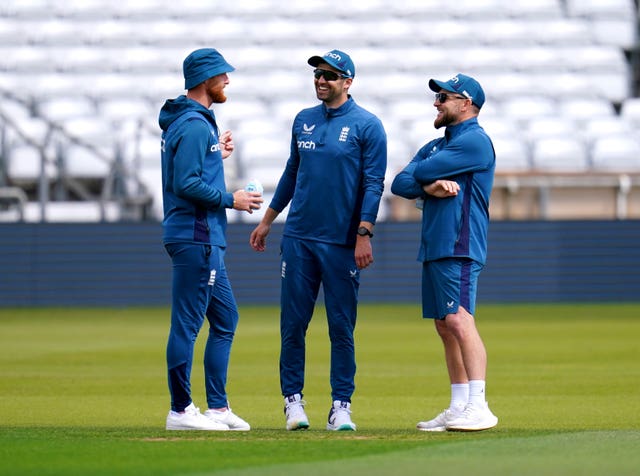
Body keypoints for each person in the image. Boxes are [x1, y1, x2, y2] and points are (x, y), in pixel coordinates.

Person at [249, 49, 387, 431]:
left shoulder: (367, 125)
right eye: (317, 75)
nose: (321, 80)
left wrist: (364, 233)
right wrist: (268, 221)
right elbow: (292, 173)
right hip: (299, 239)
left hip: (341, 243)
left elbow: (374, 184)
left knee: (341, 328)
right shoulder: (303, 120)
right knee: (293, 325)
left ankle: (341, 406)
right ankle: (293, 402)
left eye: (329, 75)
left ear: (348, 82)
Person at [159, 48, 263, 431]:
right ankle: (181, 410)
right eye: (222, 75)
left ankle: (217, 408)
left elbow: (190, 169)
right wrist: (230, 199)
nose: (228, 81)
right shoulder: (194, 125)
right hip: (196, 235)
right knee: (187, 323)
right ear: (205, 79)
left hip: (201, 235)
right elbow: (184, 183)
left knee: (225, 318)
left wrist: (215, 153)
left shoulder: (193, 124)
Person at [391, 73, 498, 432]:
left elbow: (415, 172)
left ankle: (479, 406)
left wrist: (423, 177)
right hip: (437, 244)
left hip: (459, 243)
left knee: (459, 320)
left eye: (444, 97)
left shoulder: (475, 142)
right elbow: (399, 183)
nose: (436, 103)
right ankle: (458, 405)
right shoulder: (438, 144)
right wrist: (430, 186)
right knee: (444, 325)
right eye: (437, 97)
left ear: (466, 104)